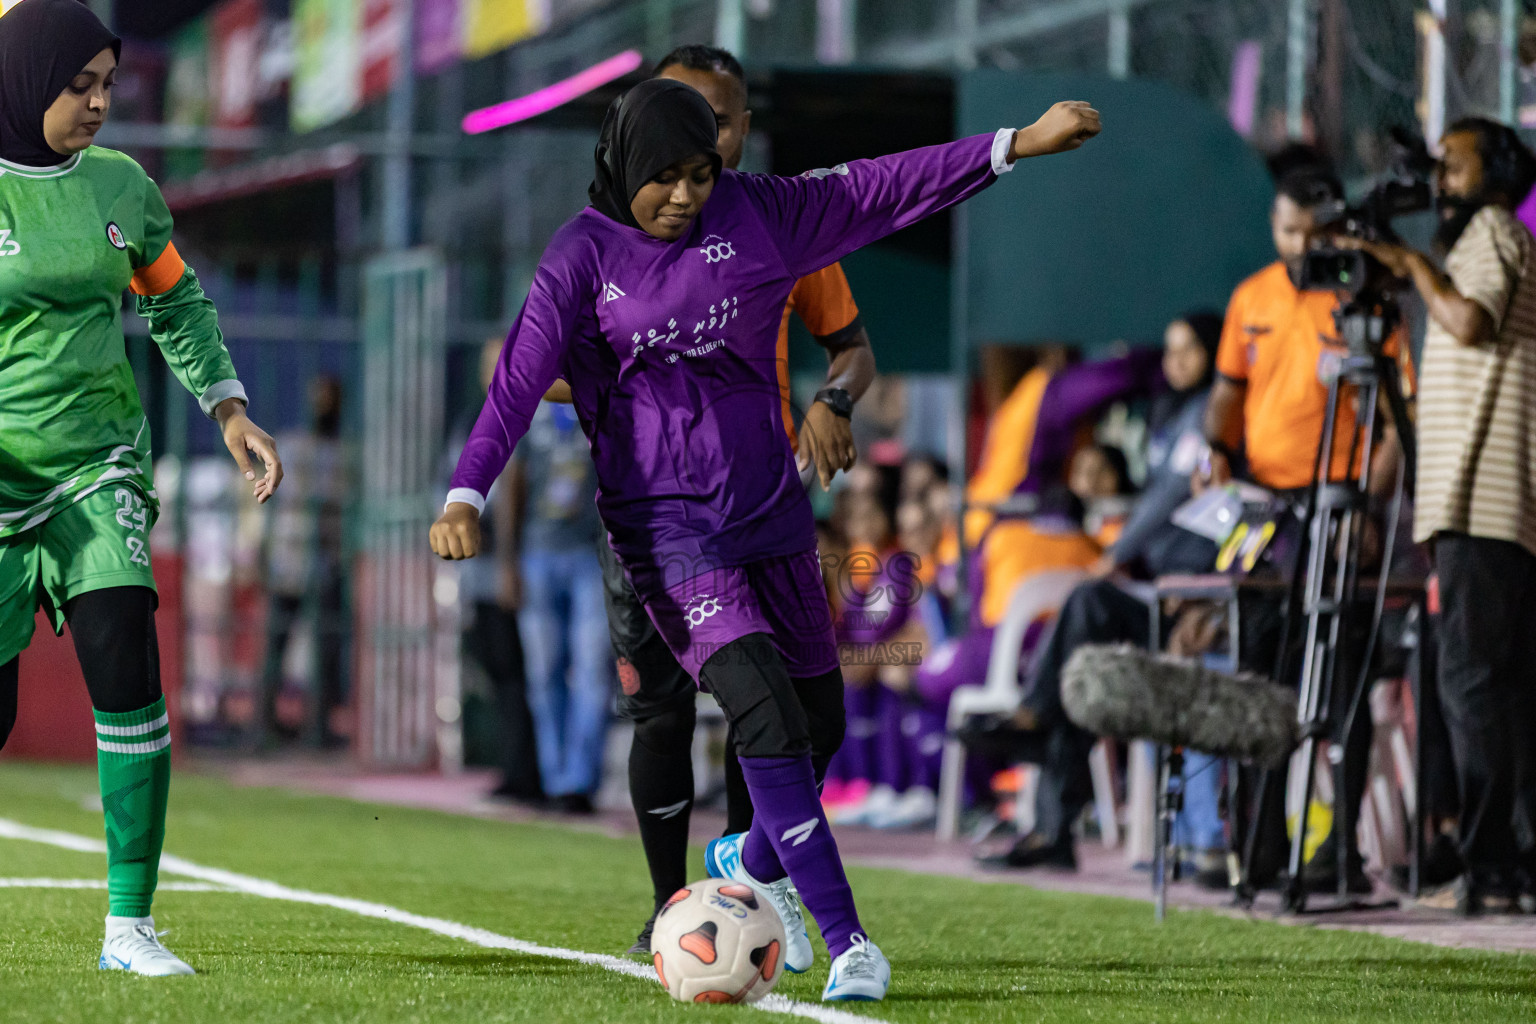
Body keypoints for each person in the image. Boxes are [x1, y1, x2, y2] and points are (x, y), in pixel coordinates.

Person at [431, 75, 1101, 1001]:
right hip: (666, 535)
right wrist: (466, 491)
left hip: (772, 519)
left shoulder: (760, 215)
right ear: (624, 165)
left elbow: (876, 187)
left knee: (817, 722)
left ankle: (744, 855)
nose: (683, 196)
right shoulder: (581, 255)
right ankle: (848, 941)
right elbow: (516, 383)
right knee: (761, 714)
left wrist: (1012, 145)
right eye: (663, 177)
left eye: (701, 174)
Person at [549, 44, 879, 955]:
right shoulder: (611, 238)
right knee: (660, 713)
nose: (713, 137)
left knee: (775, 706)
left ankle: (755, 897)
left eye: (726, 121)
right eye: (690, 117)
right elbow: (534, 367)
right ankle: (668, 907)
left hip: (758, 508)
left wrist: (833, 398)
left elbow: (851, 347)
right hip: (656, 515)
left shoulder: (774, 225)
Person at [0, 0, 281, 977]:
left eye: (107, 84)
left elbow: (175, 299)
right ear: (25, 80)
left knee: (127, 657)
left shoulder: (123, 185)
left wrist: (230, 408)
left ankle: (129, 924)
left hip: (97, 466)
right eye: (78, 86)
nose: (98, 104)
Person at [1198, 165, 1411, 892]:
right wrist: (1214, 456)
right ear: (1274, 225)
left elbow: (1393, 426)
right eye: (1290, 230)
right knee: (1257, 681)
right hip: (1263, 512)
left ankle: (1338, 853)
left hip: (1337, 505)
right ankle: (1254, 851)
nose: (1302, 245)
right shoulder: (1250, 296)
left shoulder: (1365, 300)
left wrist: (1362, 509)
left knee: (1339, 681)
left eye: (1315, 232)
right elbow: (1226, 398)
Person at [1343, 118, 1536, 914]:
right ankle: (1512, 861)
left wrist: (1411, 263)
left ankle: (1489, 865)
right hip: (1489, 499)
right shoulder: (1486, 238)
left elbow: (1470, 321)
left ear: (1492, 179)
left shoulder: (1491, 230)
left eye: (1450, 168)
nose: (1438, 182)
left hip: (1482, 499)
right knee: (1504, 688)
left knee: (1474, 685)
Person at [971, 313, 1222, 871]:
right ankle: (1052, 831)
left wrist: (1112, 555)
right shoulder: (1164, 414)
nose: (1176, 361)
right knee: (1080, 667)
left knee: (1086, 601)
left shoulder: (1213, 411)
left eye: (1189, 351)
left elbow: (1171, 498)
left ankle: (1034, 725)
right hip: (1156, 593)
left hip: (1192, 599)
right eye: (1171, 349)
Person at [451, 339, 543, 805]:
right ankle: (517, 767)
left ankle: (528, 772)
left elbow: (518, 490)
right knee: (497, 669)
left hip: (512, 572)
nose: (495, 371)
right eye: (489, 362)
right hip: (476, 575)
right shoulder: (473, 416)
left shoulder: (523, 417)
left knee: (518, 672)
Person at [512, 397, 613, 814]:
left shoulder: (601, 396)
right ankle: (554, 779)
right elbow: (513, 481)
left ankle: (580, 781)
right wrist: (506, 560)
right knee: (543, 670)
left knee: (592, 667)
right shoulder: (529, 405)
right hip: (537, 554)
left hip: (591, 555)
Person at [257, 374, 351, 749]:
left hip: (324, 562)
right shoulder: (292, 445)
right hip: (288, 559)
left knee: (326, 649)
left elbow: (341, 507)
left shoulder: (345, 453)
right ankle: (263, 725)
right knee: (276, 645)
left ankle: (320, 727)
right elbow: (275, 501)